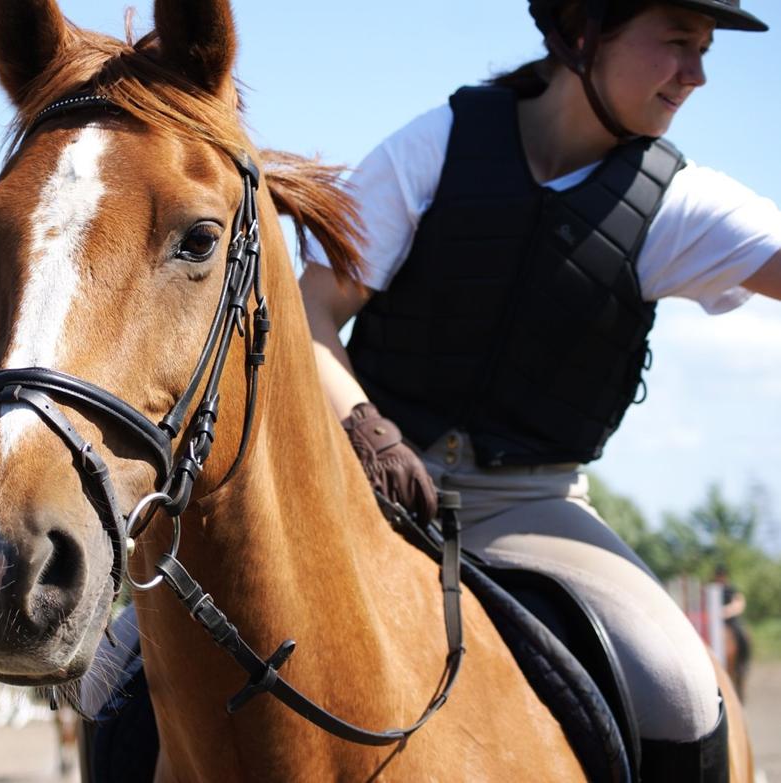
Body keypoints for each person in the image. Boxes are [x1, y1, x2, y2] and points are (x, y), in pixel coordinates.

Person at [298, 0, 780, 779]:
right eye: (679, 44)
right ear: (585, 33)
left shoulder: (677, 203)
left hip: (529, 503)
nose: (698, 74)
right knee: (126, 660)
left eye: (707, 51)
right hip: (364, 479)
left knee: (682, 687)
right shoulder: (436, 145)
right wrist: (367, 427)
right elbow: (311, 309)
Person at [713, 564, 752, 694]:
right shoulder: (712, 590)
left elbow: (739, 603)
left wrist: (726, 611)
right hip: (714, 623)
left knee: (742, 634)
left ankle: (743, 661)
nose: (719, 578)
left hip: (729, 620)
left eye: (721, 575)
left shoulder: (731, 589)